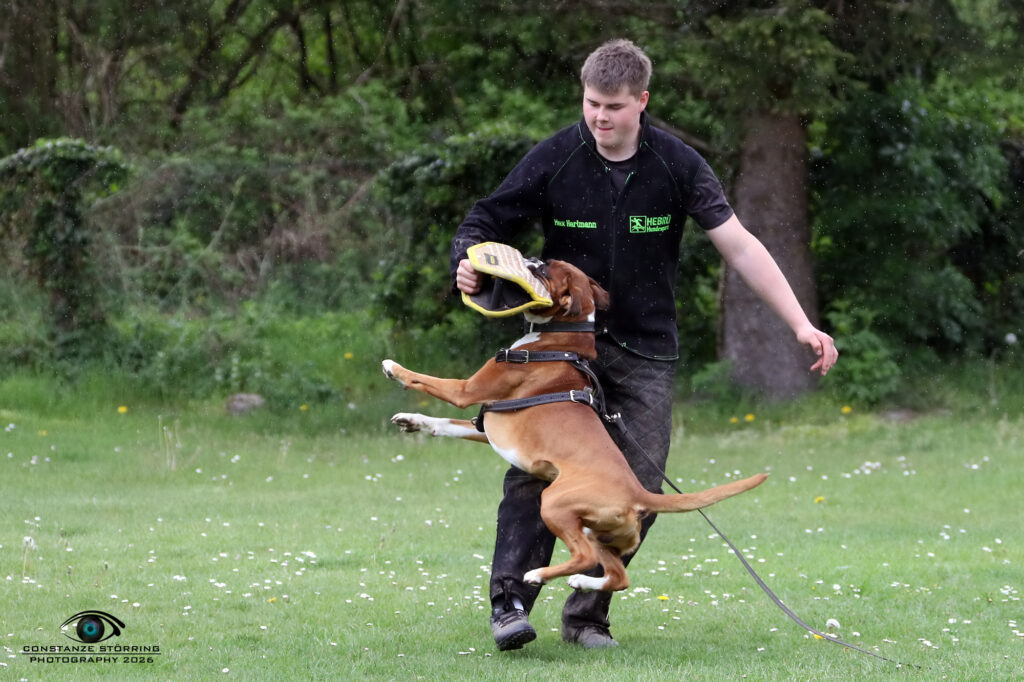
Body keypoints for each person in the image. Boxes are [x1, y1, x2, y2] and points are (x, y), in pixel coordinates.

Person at [449, 38, 838, 651]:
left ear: (642, 102)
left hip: (646, 350)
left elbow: (738, 245)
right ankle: (510, 606)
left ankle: (587, 616)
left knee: (639, 485)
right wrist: (466, 262)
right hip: (561, 346)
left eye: (613, 106)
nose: (600, 117)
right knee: (532, 476)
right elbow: (485, 219)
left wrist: (800, 323)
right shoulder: (556, 156)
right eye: (591, 104)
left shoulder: (677, 165)